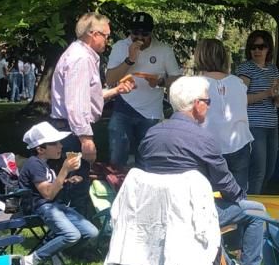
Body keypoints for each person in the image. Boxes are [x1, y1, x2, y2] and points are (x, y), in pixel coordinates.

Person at [137, 76, 267, 265]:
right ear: (197, 104)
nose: (209, 106)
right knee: (255, 211)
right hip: (191, 215)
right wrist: (239, 197)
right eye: (208, 101)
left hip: (155, 214)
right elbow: (225, 182)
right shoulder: (202, 139)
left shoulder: (151, 134)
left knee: (217, 210)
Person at [50, 12, 134, 216]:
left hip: (67, 130)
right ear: (93, 34)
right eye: (106, 35)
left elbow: (86, 98)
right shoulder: (80, 59)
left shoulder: (80, 54)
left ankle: (73, 233)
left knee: (75, 185)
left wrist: (115, 91)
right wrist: (86, 140)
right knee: (75, 186)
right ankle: (75, 240)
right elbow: (76, 104)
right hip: (71, 133)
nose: (108, 40)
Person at [18, 122, 99, 265]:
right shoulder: (34, 164)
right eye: (54, 143)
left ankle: (55, 252)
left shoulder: (44, 165)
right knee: (72, 235)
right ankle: (31, 260)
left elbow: (51, 186)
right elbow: (47, 194)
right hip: (40, 207)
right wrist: (65, 170)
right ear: (40, 149)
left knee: (92, 232)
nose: (60, 146)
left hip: (56, 206)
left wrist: (67, 180)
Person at [104, 12, 182, 167]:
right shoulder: (120, 47)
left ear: (151, 33)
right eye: (135, 33)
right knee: (117, 157)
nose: (139, 37)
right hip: (123, 107)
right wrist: (130, 59)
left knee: (148, 159)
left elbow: (177, 79)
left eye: (144, 34)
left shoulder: (164, 50)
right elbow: (110, 79)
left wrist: (160, 81)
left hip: (151, 112)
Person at [194, 38, 254, 192]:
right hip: (238, 144)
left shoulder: (195, 85)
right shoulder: (238, 83)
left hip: (206, 146)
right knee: (238, 197)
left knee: (205, 196)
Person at [236, 30, 279, 195]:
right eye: (253, 47)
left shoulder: (273, 69)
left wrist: (277, 98)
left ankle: (259, 200)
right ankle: (252, 207)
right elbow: (240, 98)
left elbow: (276, 98)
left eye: (261, 47)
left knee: (270, 169)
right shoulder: (245, 68)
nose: (257, 50)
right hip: (254, 125)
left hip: (272, 124)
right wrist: (267, 94)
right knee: (258, 170)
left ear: (268, 48)